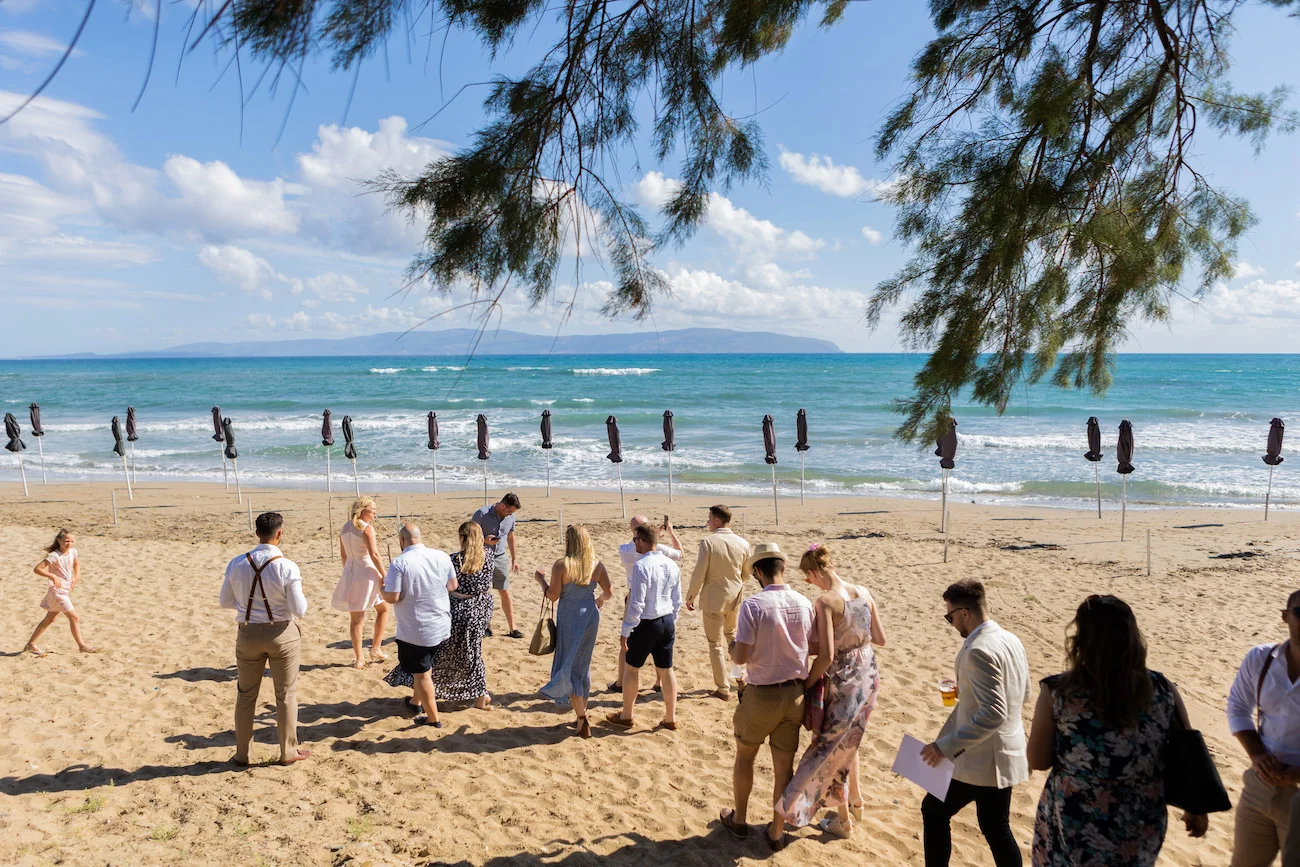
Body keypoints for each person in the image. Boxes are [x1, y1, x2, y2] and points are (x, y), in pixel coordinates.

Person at [1028, 595, 1208, 866]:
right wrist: (1195, 807)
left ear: (1082, 641)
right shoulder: (1161, 688)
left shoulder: (1059, 692)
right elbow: (1187, 751)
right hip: (1140, 817)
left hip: (1077, 818)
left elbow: (1038, 761)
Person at [777, 542, 886, 839]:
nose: (809, 584)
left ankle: (796, 810)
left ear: (813, 572)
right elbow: (880, 638)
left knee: (825, 747)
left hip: (845, 678)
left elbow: (824, 657)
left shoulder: (825, 602)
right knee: (848, 741)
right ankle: (852, 806)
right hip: (870, 673)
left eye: (808, 578)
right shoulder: (864, 591)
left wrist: (807, 683)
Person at [919, 579, 1030, 867]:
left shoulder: (978, 649)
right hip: (1005, 751)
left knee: (935, 810)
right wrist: (966, 691)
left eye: (950, 616)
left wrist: (944, 746)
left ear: (965, 613)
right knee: (995, 827)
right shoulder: (1011, 639)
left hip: (982, 758)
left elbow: (994, 712)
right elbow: (1023, 692)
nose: (951, 623)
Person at [716, 542, 814, 851]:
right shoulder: (804, 602)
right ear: (783, 568)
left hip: (762, 694)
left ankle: (740, 820)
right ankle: (776, 829)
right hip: (796, 693)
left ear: (758, 571)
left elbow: (741, 656)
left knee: (745, 755)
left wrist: (732, 647)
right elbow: (813, 647)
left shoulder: (754, 605)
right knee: (783, 767)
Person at [218, 511, 310, 766]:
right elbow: (300, 610)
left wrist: (249, 603)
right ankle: (288, 751)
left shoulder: (236, 563)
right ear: (280, 534)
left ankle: (242, 753)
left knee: (246, 694)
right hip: (281, 632)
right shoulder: (287, 566)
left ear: (256, 532)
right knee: (285, 694)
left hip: (247, 632)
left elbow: (225, 601)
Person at [387, 522, 496, 711]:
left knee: (436, 656)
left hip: (458, 609)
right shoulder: (490, 556)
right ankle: (477, 696)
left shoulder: (454, 559)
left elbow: (450, 586)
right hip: (481, 609)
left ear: (462, 538)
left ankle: (420, 698)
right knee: (473, 652)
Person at [1226, 590, 1300, 867]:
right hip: (1258, 789)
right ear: (1285, 616)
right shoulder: (1260, 659)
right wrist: (1256, 755)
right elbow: (1237, 707)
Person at [537, 524, 613, 738]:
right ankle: (582, 713)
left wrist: (540, 580)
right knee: (582, 665)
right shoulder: (596, 564)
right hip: (589, 615)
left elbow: (552, 595)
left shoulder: (562, 565)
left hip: (570, 617)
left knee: (568, 664)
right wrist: (598, 601)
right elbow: (609, 591)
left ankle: (582, 718)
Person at [605, 523, 682, 731]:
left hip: (646, 622)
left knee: (632, 670)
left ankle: (627, 714)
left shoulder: (642, 565)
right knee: (667, 670)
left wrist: (626, 629)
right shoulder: (671, 565)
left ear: (642, 541)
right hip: (666, 620)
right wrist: (672, 621)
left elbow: (637, 603)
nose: (634, 543)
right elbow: (677, 600)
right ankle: (670, 717)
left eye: (636, 540)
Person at [379, 523, 457, 728]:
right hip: (441, 623)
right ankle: (416, 701)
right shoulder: (442, 556)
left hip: (418, 628)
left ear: (402, 541)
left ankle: (433, 718)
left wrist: (381, 590)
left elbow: (393, 597)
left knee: (422, 673)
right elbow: (452, 586)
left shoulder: (399, 562)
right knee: (423, 668)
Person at [685, 504, 751, 700]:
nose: (707, 522)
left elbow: (699, 573)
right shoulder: (743, 543)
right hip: (735, 596)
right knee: (732, 636)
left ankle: (723, 688)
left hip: (714, 598)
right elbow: (746, 573)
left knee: (715, 644)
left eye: (709, 518)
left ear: (716, 520)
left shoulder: (708, 542)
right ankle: (740, 678)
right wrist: (735, 583)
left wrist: (691, 596)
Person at [332, 497, 391, 668]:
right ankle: (374, 649)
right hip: (367, 570)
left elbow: (343, 554)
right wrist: (384, 573)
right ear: (363, 510)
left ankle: (361, 657)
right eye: (372, 509)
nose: (375, 512)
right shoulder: (366, 528)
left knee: (362, 614)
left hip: (351, 570)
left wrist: (348, 571)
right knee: (378, 610)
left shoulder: (345, 527)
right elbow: (374, 554)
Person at [25, 529, 100, 656]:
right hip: (56, 591)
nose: (69, 544)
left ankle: (30, 644)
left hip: (65, 589)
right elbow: (37, 569)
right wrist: (53, 576)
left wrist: (76, 577)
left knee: (50, 618)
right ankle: (82, 646)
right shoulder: (54, 555)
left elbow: (76, 564)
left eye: (71, 541)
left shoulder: (73, 552)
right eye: (66, 541)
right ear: (59, 540)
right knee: (74, 617)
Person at [472, 493, 522, 639]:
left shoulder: (511, 517)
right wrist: (485, 540)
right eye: (509, 511)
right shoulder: (481, 514)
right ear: (502, 505)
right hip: (481, 556)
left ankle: (513, 628)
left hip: (500, 557)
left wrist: (514, 559)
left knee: (504, 591)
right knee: (484, 592)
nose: (510, 514)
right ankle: (486, 627)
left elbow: (511, 537)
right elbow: (470, 536)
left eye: (512, 513)